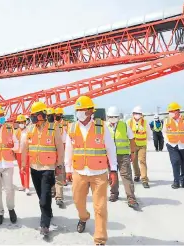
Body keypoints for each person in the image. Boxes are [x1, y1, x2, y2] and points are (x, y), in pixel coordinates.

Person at [65, 96, 118, 245]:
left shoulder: (102, 127)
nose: (79, 112)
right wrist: (68, 169)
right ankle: (83, 217)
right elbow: (69, 149)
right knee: (77, 201)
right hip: (79, 172)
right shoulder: (72, 127)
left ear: (90, 111)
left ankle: (100, 238)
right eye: (77, 110)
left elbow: (110, 148)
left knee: (100, 207)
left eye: (82, 110)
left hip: (99, 173)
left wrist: (113, 170)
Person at [21, 101, 64, 236]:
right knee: (41, 195)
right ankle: (48, 212)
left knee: (45, 196)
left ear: (41, 115)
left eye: (34, 115)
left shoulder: (53, 128)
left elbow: (60, 148)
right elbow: (24, 148)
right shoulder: (29, 129)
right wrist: (23, 164)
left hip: (48, 167)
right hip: (34, 167)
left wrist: (59, 165)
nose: (32, 117)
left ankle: (44, 224)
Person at [106, 106, 139, 209]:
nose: (112, 118)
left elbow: (132, 139)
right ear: (107, 116)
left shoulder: (124, 125)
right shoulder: (105, 126)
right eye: (111, 116)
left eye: (114, 116)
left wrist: (133, 152)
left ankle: (131, 197)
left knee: (126, 176)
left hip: (123, 155)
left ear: (118, 117)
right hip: (110, 156)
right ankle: (114, 193)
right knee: (112, 174)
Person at [162, 102, 184, 189]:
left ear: (177, 111)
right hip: (172, 145)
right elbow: (164, 132)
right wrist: (167, 142)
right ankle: (176, 181)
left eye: (172, 111)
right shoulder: (167, 120)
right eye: (169, 111)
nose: (170, 113)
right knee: (175, 162)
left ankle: (183, 181)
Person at [127, 106, 151, 188]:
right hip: (133, 145)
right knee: (134, 161)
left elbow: (148, 132)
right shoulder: (129, 122)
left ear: (141, 114)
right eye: (136, 113)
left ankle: (144, 179)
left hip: (142, 145)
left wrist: (148, 140)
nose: (137, 115)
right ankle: (137, 175)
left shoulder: (144, 122)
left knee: (142, 161)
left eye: (139, 113)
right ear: (133, 114)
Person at [47, 108, 64, 207]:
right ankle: (53, 191)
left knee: (58, 177)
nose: (50, 117)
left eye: (52, 115)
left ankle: (59, 197)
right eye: (49, 115)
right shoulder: (44, 128)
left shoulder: (60, 126)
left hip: (58, 156)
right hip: (48, 158)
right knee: (50, 177)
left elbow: (64, 142)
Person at [14, 114, 30, 195]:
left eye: (22, 122)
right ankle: (23, 185)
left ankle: (27, 187)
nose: (21, 123)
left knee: (26, 169)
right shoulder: (16, 131)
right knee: (20, 169)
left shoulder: (28, 131)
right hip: (18, 152)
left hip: (26, 153)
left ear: (25, 122)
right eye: (19, 122)